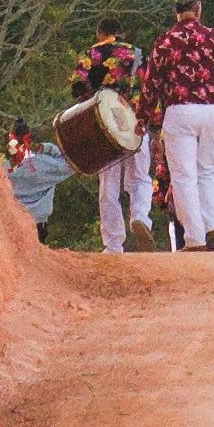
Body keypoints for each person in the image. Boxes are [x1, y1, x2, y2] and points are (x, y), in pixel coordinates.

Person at [137, 0, 214, 249]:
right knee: (207, 170)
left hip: (179, 111)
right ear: (198, 9)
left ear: (177, 12)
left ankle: (195, 238)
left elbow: (150, 84)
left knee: (184, 175)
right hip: (211, 111)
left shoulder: (165, 41)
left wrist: (144, 116)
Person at [74, 18, 151, 253]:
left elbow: (77, 89)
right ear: (122, 33)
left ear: (100, 34)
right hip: (135, 121)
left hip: (104, 125)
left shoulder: (91, 54)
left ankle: (114, 244)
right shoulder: (137, 54)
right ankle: (140, 216)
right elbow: (149, 88)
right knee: (139, 177)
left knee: (108, 186)